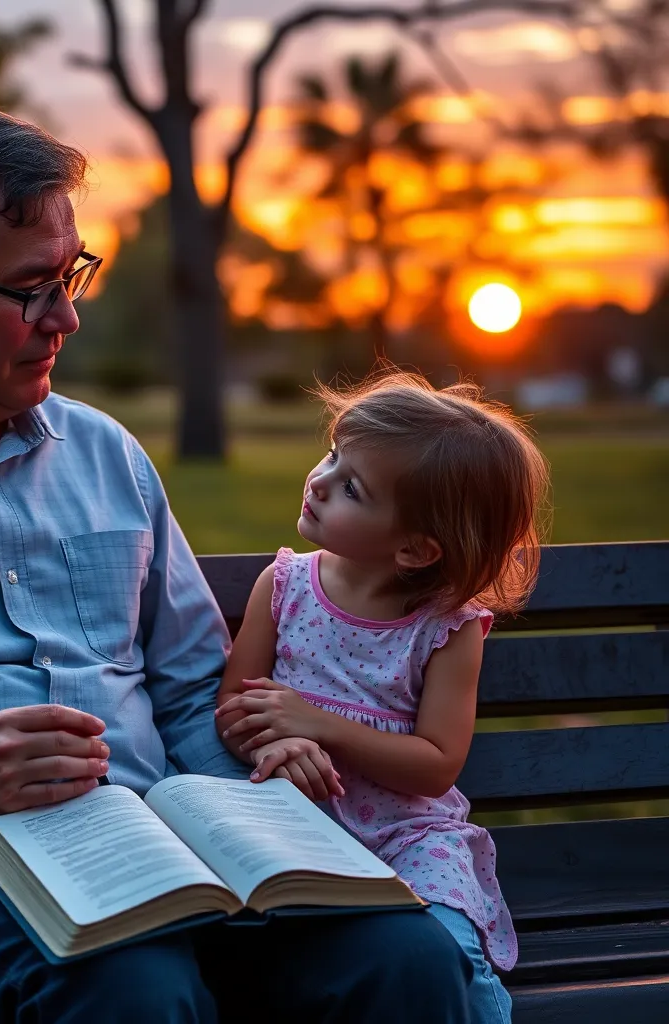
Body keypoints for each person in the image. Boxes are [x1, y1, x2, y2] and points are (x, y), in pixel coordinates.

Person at [0, 100, 472, 1023]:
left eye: (74, 276)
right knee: (132, 989)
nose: (65, 316)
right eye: (31, 288)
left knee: (405, 960)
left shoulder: (107, 457)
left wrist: (257, 767)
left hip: (160, 849)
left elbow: (189, 692)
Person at [215, 369, 551, 1024]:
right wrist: (281, 738)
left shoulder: (446, 627)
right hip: (297, 834)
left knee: (448, 958)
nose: (319, 480)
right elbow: (235, 707)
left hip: (409, 839)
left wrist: (320, 725)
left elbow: (436, 765)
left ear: (416, 549)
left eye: (351, 488)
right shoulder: (283, 586)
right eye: (333, 455)